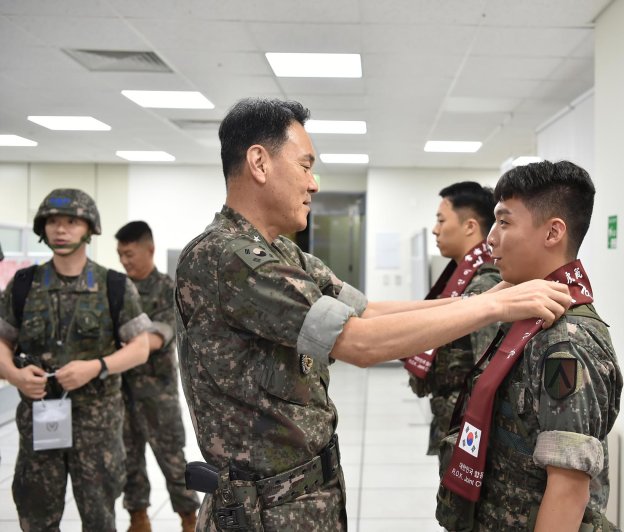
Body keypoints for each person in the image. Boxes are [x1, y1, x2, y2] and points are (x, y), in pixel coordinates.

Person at [175, 97, 573, 532]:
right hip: (262, 513)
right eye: (305, 166)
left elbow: (368, 311)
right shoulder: (230, 259)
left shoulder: (281, 251)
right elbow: (360, 342)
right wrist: (495, 305)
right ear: (259, 163)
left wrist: (480, 298)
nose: (314, 184)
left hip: (303, 496)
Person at [435, 161, 623, 531]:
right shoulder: (529, 315)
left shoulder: (567, 344)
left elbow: (568, 489)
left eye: (504, 223)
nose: (490, 239)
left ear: (553, 232)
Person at [0, 188, 152, 531]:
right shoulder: (24, 284)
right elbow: (2, 340)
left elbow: (140, 347)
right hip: (40, 422)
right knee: (36, 515)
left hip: (96, 428)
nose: (61, 229)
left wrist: (96, 367)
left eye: (71, 221)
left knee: (99, 518)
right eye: (53, 222)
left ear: (88, 229)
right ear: (43, 229)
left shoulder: (113, 285)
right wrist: (13, 374)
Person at [405, 182, 501, 459]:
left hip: (469, 430)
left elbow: (489, 373)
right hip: (450, 419)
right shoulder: (460, 278)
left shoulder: (484, 285)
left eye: (441, 220)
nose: (435, 229)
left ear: (470, 226)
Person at [115, 221, 200, 532]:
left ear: (149, 249)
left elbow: (159, 336)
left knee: (173, 462)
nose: (124, 261)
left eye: (129, 254)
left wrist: (128, 346)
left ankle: (189, 520)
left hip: (157, 393)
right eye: (120, 255)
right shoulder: (117, 289)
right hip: (121, 393)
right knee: (129, 462)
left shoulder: (168, 289)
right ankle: (138, 519)